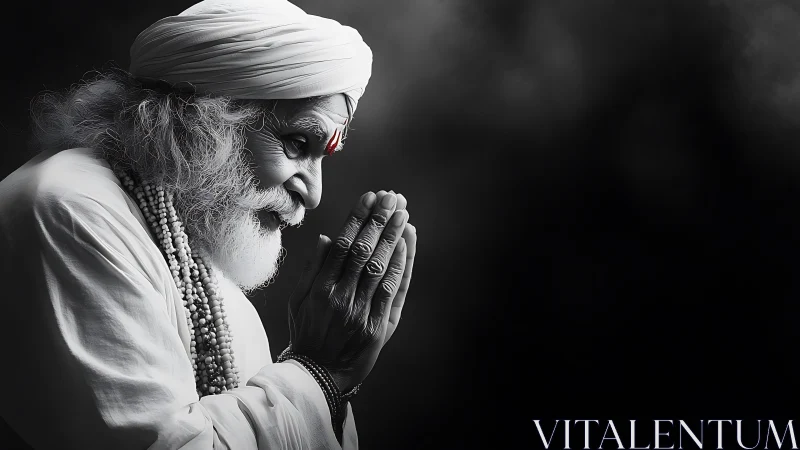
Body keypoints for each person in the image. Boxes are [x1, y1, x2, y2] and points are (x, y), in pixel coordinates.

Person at [0, 0, 417, 448]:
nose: (313, 194)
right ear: (199, 119)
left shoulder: (195, 260)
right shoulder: (72, 210)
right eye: (297, 143)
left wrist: (328, 382)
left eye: (322, 158)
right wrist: (320, 372)